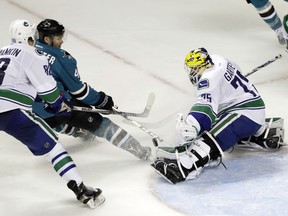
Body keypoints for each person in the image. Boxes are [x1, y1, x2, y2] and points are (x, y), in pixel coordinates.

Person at [0, 19, 105, 208]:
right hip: (13, 113)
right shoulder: (32, 54)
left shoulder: (1, 51)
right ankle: (81, 190)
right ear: (30, 38)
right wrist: (59, 105)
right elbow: (49, 92)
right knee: (54, 149)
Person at [151, 48, 284, 184]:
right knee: (215, 125)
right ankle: (263, 133)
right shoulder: (218, 59)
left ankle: (184, 166)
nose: (193, 72)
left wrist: (191, 126)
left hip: (244, 114)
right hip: (253, 108)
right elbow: (236, 70)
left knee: (205, 141)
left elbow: (205, 110)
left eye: (195, 69)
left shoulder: (208, 80)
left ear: (204, 65)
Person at [32, 19, 151, 161]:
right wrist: (102, 100)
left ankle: (81, 131)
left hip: (34, 113)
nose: (62, 41)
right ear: (47, 39)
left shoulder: (28, 51)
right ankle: (138, 150)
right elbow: (79, 92)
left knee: (53, 117)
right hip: (57, 107)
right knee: (101, 124)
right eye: (58, 38)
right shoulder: (61, 59)